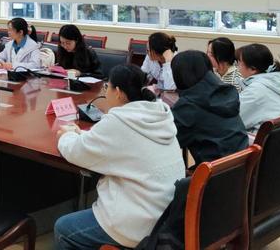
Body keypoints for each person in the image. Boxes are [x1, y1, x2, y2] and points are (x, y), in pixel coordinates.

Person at [54, 65, 185, 250]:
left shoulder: (120, 121)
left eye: (107, 87)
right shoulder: (158, 115)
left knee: (63, 229)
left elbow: (76, 151)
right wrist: (81, 135)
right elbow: (112, 143)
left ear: (119, 92)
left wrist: (66, 135)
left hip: (137, 224)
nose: (105, 92)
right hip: (166, 216)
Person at [170, 50, 249, 164]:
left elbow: (169, 139)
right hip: (239, 165)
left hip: (214, 170)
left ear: (180, 75)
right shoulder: (226, 92)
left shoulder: (189, 105)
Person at [237, 43, 280, 133]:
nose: (237, 67)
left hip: (271, 140)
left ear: (253, 69)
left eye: (239, 63)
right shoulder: (277, 82)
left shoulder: (256, 90)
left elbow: (233, 121)